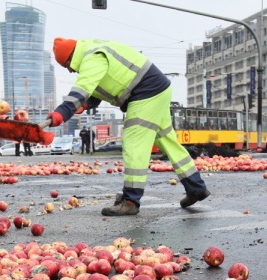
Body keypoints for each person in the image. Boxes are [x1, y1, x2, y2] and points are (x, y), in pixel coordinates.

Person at [44, 38, 208, 216]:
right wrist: (84, 104)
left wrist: (62, 112)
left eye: (67, 65)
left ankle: (130, 201)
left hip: (145, 92)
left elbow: (83, 87)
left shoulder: (92, 58)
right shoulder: (94, 50)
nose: (69, 70)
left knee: (133, 144)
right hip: (158, 89)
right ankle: (196, 187)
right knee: (168, 142)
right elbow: (98, 87)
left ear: (71, 58)